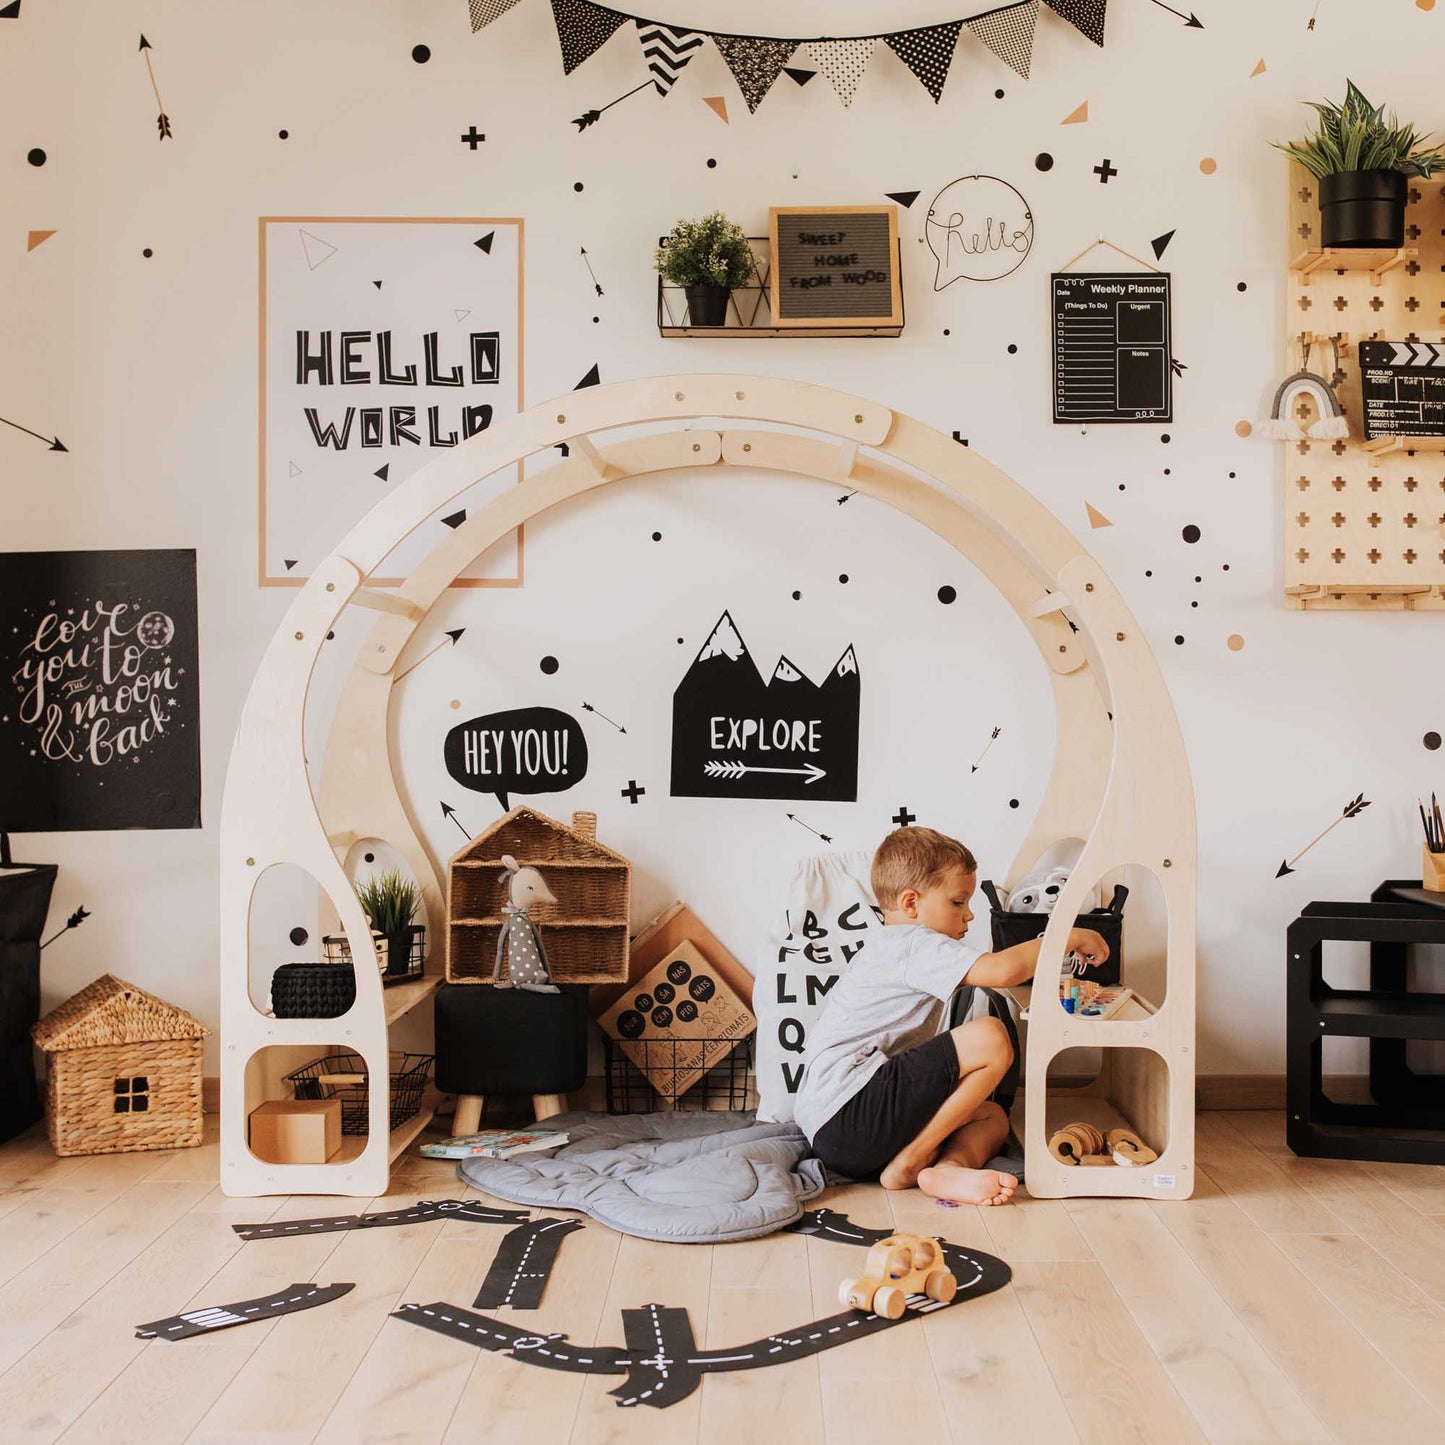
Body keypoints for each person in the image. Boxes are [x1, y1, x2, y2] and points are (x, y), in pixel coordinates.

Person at [794, 827, 1109, 1206]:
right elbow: (1000, 971)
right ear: (911, 904)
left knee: (991, 1118)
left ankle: (945, 1168)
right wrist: (1067, 936)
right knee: (991, 1036)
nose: (969, 914)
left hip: (843, 1132)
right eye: (958, 902)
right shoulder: (912, 944)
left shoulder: (893, 946)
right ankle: (910, 1162)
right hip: (850, 1111)